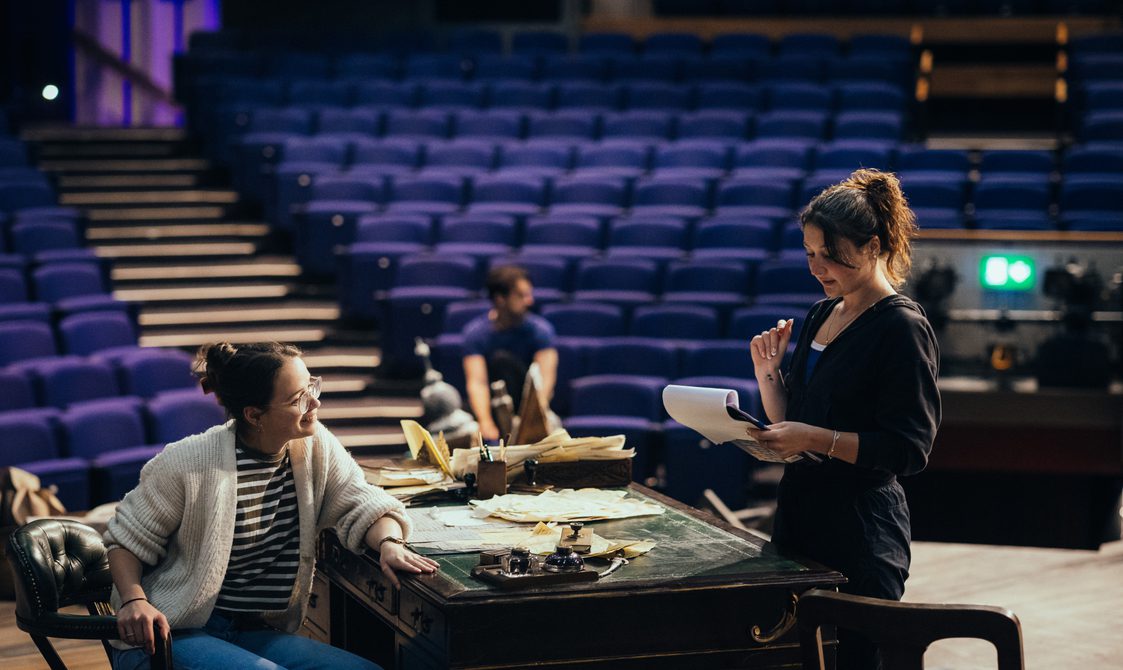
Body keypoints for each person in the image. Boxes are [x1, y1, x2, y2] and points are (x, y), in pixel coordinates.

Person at [105, 342, 440, 670]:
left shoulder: (314, 445)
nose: (315, 404)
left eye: (312, 387)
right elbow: (125, 542)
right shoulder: (188, 461)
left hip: (249, 631)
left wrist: (389, 543)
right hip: (170, 633)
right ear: (254, 415)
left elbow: (364, 502)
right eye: (298, 399)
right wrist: (135, 601)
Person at [747, 169, 941, 670]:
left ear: (873, 246)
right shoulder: (820, 313)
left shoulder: (901, 326)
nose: (817, 267)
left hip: (861, 530)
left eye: (830, 254)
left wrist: (813, 437)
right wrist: (768, 376)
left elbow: (908, 450)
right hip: (801, 516)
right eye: (810, 253)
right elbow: (794, 421)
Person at [462, 265, 558, 441]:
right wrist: (485, 421)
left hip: (530, 406)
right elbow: (478, 382)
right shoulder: (476, 333)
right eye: (521, 296)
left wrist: (530, 420)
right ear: (500, 299)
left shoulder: (541, 331)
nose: (529, 301)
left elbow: (544, 382)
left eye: (529, 294)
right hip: (492, 406)